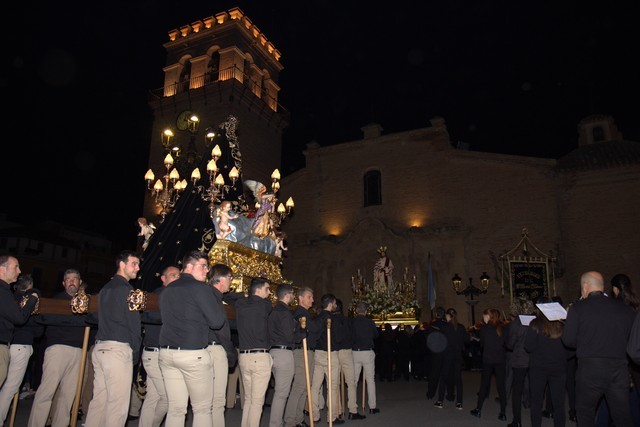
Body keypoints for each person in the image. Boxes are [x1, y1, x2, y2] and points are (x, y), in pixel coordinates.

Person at [158, 251, 225, 427]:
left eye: (207, 267)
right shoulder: (200, 288)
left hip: (166, 353)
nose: (206, 271)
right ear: (188, 266)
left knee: (176, 409)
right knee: (202, 409)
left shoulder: (167, 290)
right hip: (192, 354)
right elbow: (217, 322)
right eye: (202, 266)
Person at [561, 271, 636, 427]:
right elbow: (633, 340)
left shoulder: (578, 308)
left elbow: (568, 341)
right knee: (622, 415)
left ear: (586, 286)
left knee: (585, 412)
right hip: (619, 369)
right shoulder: (625, 309)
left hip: (590, 369)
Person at [28, 269, 96, 427]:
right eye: (68, 279)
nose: (72, 282)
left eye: (75, 279)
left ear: (80, 282)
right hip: (58, 350)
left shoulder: (86, 303)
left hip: (79, 351)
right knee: (46, 392)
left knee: (68, 397)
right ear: (64, 283)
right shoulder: (56, 302)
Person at [84, 250, 142, 427]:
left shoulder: (105, 288)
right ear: (122, 264)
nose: (138, 268)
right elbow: (134, 324)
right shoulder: (127, 289)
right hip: (117, 350)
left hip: (100, 348)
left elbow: (95, 317)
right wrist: (135, 352)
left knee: (99, 402)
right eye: (134, 264)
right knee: (117, 407)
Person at [138, 265, 180, 427]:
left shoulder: (172, 296)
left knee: (153, 397)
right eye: (173, 275)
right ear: (163, 279)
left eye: (178, 275)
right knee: (168, 397)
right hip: (154, 353)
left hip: (158, 353)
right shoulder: (159, 297)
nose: (177, 278)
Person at [229, 277, 273, 427]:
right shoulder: (265, 305)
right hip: (260, 357)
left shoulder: (241, 304)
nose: (269, 292)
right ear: (259, 290)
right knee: (256, 402)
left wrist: (244, 295)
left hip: (244, 357)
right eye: (267, 289)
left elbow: (226, 296)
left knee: (248, 399)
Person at [0, 274, 43, 424]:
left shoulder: (10, 297)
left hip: (8, 343)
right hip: (21, 345)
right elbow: (36, 328)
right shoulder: (31, 300)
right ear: (30, 286)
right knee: (10, 388)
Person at [525, 298, 569, 427]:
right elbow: (570, 346)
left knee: (536, 402)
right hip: (559, 367)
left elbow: (528, 346)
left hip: (538, 368)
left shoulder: (535, 324)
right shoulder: (563, 325)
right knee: (559, 403)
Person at [206, 263, 238, 427]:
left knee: (204, 402)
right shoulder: (215, 299)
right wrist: (231, 353)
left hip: (203, 350)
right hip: (216, 349)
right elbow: (221, 329)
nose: (231, 282)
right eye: (230, 278)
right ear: (222, 279)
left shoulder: (205, 295)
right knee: (218, 400)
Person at [0, 255, 39, 388]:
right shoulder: (2, 291)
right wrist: (32, 299)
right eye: (15, 266)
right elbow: (19, 318)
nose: (19, 271)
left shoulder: (6, 291)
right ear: (2, 269)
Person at [268, 283, 303, 427]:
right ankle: (275, 424)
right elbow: (290, 336)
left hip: (273, 352)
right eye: (293, 294)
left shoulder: (272, 310)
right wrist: (301, 333)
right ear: (287, 295)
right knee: (282, 393)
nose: (294, 297)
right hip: (283, 353)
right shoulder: (285, 312)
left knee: (279, 391)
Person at [284, 286, 318, 427]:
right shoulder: (299, 313)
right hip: (300, 352)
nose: (312, 300)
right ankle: (290, 420)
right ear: (301, 298)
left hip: (308, 351)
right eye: (309, 297)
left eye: (312, 297)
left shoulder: (306, 313)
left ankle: (298, 418)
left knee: (305, 387)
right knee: (299, 386)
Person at [310, 293, 344, 424]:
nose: (335, 305)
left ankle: (315, 415)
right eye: (334, 303)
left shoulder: (317, 318)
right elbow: (338, 337)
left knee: (315, 387)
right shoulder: (331, 319)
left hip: (318, 354)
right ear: (331, 303)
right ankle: (332, 417)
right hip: (330, 354)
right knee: (332, 387)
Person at [470, 308, 507, 421]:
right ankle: (503, 413)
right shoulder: (503, 328)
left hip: (488, 360)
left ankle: (478, 409)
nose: (483, 318)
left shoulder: (485, 329)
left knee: (484, 385)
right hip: (500, 360)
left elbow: (482, 343)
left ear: (489, 316)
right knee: (501, 386)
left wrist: (478, 330)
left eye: (484, 316)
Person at [333, 299, 365, 420]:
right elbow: (353, 335)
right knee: (350, 382)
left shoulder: (329, 319)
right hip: (346, 351)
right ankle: (352, 410)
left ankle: (338, 411)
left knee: (335, 383)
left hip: (334, 351)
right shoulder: (347, 320)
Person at [504, 296, 534, 427]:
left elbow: (510, 345)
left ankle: (517, 421)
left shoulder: (515, 323)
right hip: (534, 359)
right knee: (534, 386)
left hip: (519, 360)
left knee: (517, 390)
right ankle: (530, 405)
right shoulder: (535, 322)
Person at [351, 301, 380, 415]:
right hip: (367, 352)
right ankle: (372, 406)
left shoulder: (352, 322)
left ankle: (352, 407)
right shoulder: (370, 322)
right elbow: (376, 335)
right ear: (366, 311)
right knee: (370, 380)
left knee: (353, 381)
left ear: (356, 311)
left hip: (355, 352)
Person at [443, 307, 469, 410]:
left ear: (448, 316)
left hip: (448, 356)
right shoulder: (461, 327)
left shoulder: (445, 328)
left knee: (448, 377)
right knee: (458, 380)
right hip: (458, 356)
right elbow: (467, 340)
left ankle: (449, 395)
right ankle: (459, 402)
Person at [428, 306, 453, 405]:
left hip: (436, 353)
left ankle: (430, 394)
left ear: (436, 314)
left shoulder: (432, 325)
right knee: (448, 374)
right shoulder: (448, 325)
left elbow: (429, 339)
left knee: (434, 374)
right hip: (446, 353)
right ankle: (450, 395)